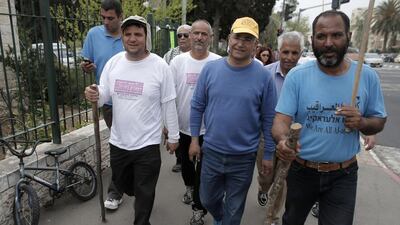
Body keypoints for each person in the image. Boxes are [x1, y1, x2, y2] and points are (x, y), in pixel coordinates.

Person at [272, 10, 387, 225]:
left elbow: (378, 121)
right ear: (312, 39)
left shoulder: (367, 76)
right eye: (321, 36)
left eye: (336, 35)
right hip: (301, 171)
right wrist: (282, 141)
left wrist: (361, 123)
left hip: (343, 175)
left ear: (349, 37)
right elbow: (281, 121)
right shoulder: (297, 76)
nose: (328, 43)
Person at [84, 15, 179, 225]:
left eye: (138, 34)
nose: (133, 38)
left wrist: (173, 135)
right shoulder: (114, 63)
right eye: (128, 34)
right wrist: (94, 94)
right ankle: (134, 192)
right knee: (126, 186)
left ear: (146, 37)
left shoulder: (159, 66)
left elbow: (168, 103)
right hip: (119, 142)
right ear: (123, 37)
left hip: (148, 143)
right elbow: (104, 95)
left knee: (145, 192)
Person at [189, 17, 277, 225]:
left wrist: (269, 154)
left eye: (248, 39)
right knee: (207, 199)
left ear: (256, 45)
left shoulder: (264, 77)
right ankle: (220, 217)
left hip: (244, 157)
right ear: (229, 38)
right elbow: (197, 105)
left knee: (235, 208)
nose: (241, 43)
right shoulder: (211, 69)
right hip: (212, 151)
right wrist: (194, 139)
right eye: (238, 37)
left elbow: (268, 118)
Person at [170, 19, 221, 225]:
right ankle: (189, 187)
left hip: (210, 129)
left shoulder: (218, 62)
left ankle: (198, 208)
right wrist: (169, 126)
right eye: (195, 33)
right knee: (187, 166)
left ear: (210, 37)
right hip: (183, 126)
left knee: (204, 172)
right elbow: (169, 96)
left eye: (204, 34)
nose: (199, 37)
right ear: (190, 36)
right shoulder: (178, 62)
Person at [80, 0, 125, 210]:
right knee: (117, 144)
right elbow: (86, 65)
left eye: (111, 18)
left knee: (132, 144)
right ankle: (115, 192)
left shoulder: (131, 34)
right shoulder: (93, 34)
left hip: (134, 100)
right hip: (108, 101)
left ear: (120, 16)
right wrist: (86, 67)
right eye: (103, 18)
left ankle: (129, 177)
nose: (106, 22)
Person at [256, 31, 303, 224]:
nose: (289, 57)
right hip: (265, 137)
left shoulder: (304, 76)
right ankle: (262, 189)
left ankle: (272, 216)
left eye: (294, 53)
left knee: (281, 179)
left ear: (300, 54)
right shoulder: (265, 74)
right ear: (278, 52)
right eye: (285, 52)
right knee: (266, 176)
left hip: (291, 140)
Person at [163, 24, 192, 173]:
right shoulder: (169, 55)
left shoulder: (198, 54)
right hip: (174, 100)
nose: (181, 38)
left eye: (185, 35)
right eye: (179, 35)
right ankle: (180, 160)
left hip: (190, 99)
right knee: (176, 130)